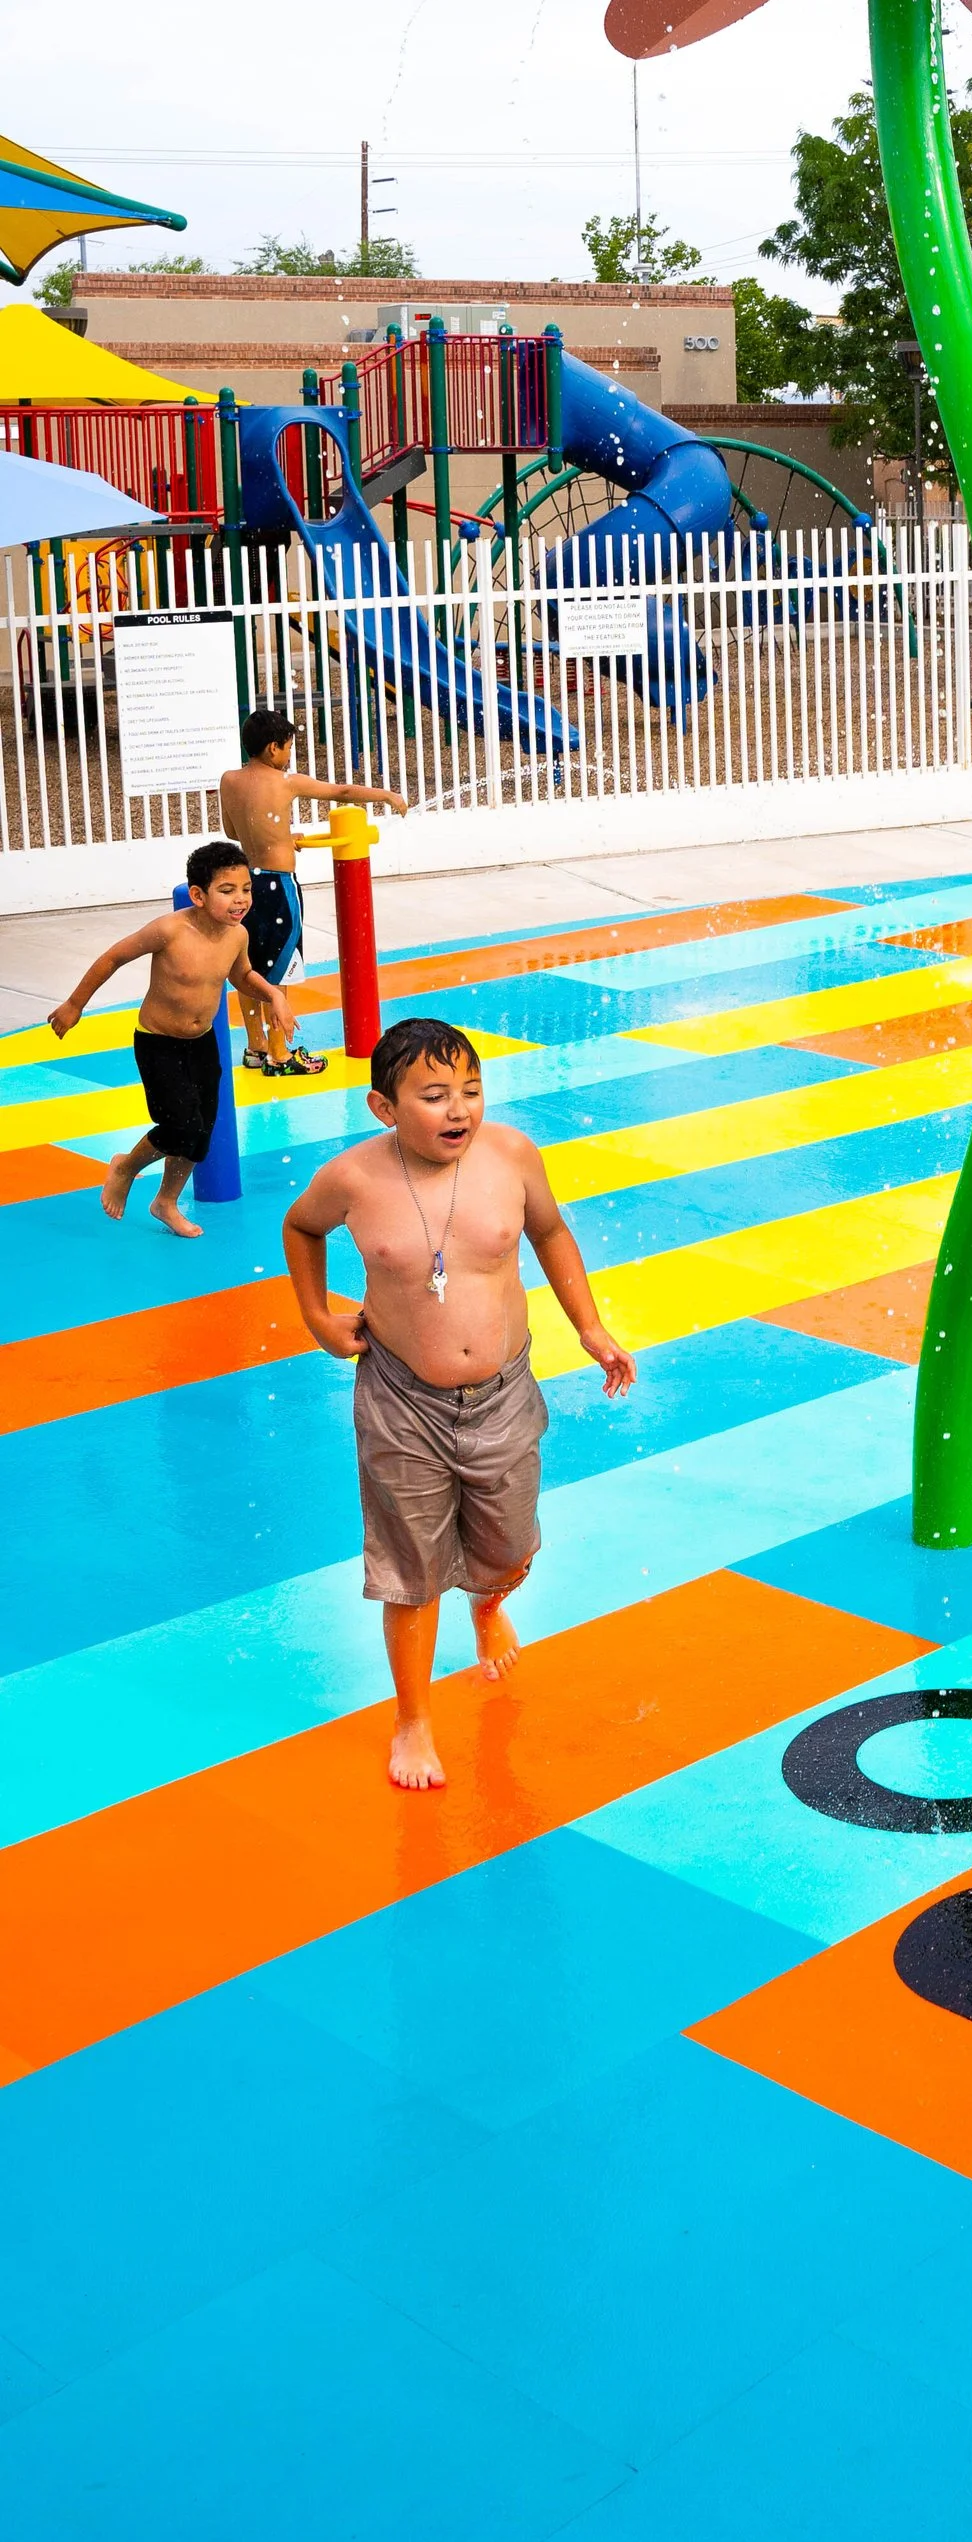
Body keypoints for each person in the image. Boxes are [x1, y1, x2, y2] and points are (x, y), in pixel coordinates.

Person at [281, 1014, 636, 1791]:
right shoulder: (354, 1178)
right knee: (410, 1571)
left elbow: (549, 1232)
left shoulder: (509, 1156)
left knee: (509, 1546)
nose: (459, 1110)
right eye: (435, 1095)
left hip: (503, 1392)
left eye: (471, 1090)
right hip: (401, 1399)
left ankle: (489, 1603)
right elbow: (301, 1228)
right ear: (384, 1108)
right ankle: (413, 1720)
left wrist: (590, 1326)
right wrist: (315, 1316)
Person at [46, 838, 300, 1238]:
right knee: (180, 1126)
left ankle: (165, 1201)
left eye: (246, 889)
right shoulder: (170, 931)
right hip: (159, 1042)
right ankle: (125, 1166)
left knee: (201, 1132)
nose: (241, 900)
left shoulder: (237, 936)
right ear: (198, 895)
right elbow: (113, 957)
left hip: (201, 1044)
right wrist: (75, 1005)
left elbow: (241, 976)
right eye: (227, 891)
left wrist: (273, 996)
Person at [219, 707, 409, 1077]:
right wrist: (386, 796)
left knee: (248, 966)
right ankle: (279, 1054)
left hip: (247, 884)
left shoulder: (229, 780)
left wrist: (280, 837)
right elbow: (342, 791)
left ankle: (256, 1047)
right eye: (288, 747)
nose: (289, 756)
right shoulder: (285, 782)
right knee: (278, 971)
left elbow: (233, 831)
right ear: (273, 748)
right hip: (278, 887)